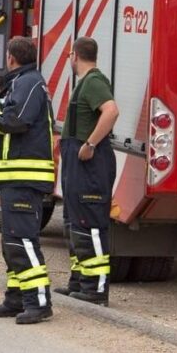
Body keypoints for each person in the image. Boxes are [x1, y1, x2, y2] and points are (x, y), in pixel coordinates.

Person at [0, 36, 56, 324]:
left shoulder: (28, 83)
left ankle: (38, 301)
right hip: (14, 178)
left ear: (11, 58)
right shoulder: (21, 82)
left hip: (24, 179)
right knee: (11, 242)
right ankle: (16, 299)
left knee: (22, 241)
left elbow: (16, 120)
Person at [59, 37, 119, 304]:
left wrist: (90, 143)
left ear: (74, 55)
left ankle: (96, 289)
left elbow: (111, 111)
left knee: (91, 224)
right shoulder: (85, 82)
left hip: (90, 165)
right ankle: (81, 282)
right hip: (77, 164)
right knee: (76, 222)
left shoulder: (93, 81)